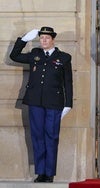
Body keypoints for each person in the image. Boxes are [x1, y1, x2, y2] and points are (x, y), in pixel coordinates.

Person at [10, 27, 73, 183]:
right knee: (37, 137)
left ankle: (49, 173)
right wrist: (24, 39)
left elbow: (68, 82)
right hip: (35, 102)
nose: (43, 41)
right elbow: (14, 56)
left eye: (47, 38)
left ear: (53, 40)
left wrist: (68, 103)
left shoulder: (64, 58)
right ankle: (41, 172)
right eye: (41, 38)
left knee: (51, 137)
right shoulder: (35, 55)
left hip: (54, 103)